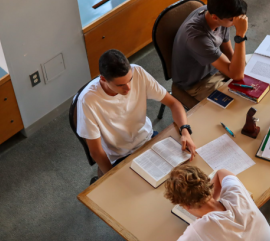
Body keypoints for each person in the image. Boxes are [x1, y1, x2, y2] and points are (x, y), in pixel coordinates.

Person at [77, 49, 197, 184]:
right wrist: (112, 178)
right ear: (103, 79)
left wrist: (185, 131)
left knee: (187, 176)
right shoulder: (88, 101)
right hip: (120, 155)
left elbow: (174, 103)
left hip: (148, 138)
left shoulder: (138, 72)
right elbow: (96, 152)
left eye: (130, 80)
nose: (128, 88)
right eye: (121, 85)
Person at [172, 0, 249, 101]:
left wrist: (237, 71)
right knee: (238, 104)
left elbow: (228, 51)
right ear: (215, 17)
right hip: (198, 83)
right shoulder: (197, 38)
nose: (236, 23)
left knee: (253, 79)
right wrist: (240, 35)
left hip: (215, 68)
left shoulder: (219, 16)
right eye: (233, 20)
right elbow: (237, 75)